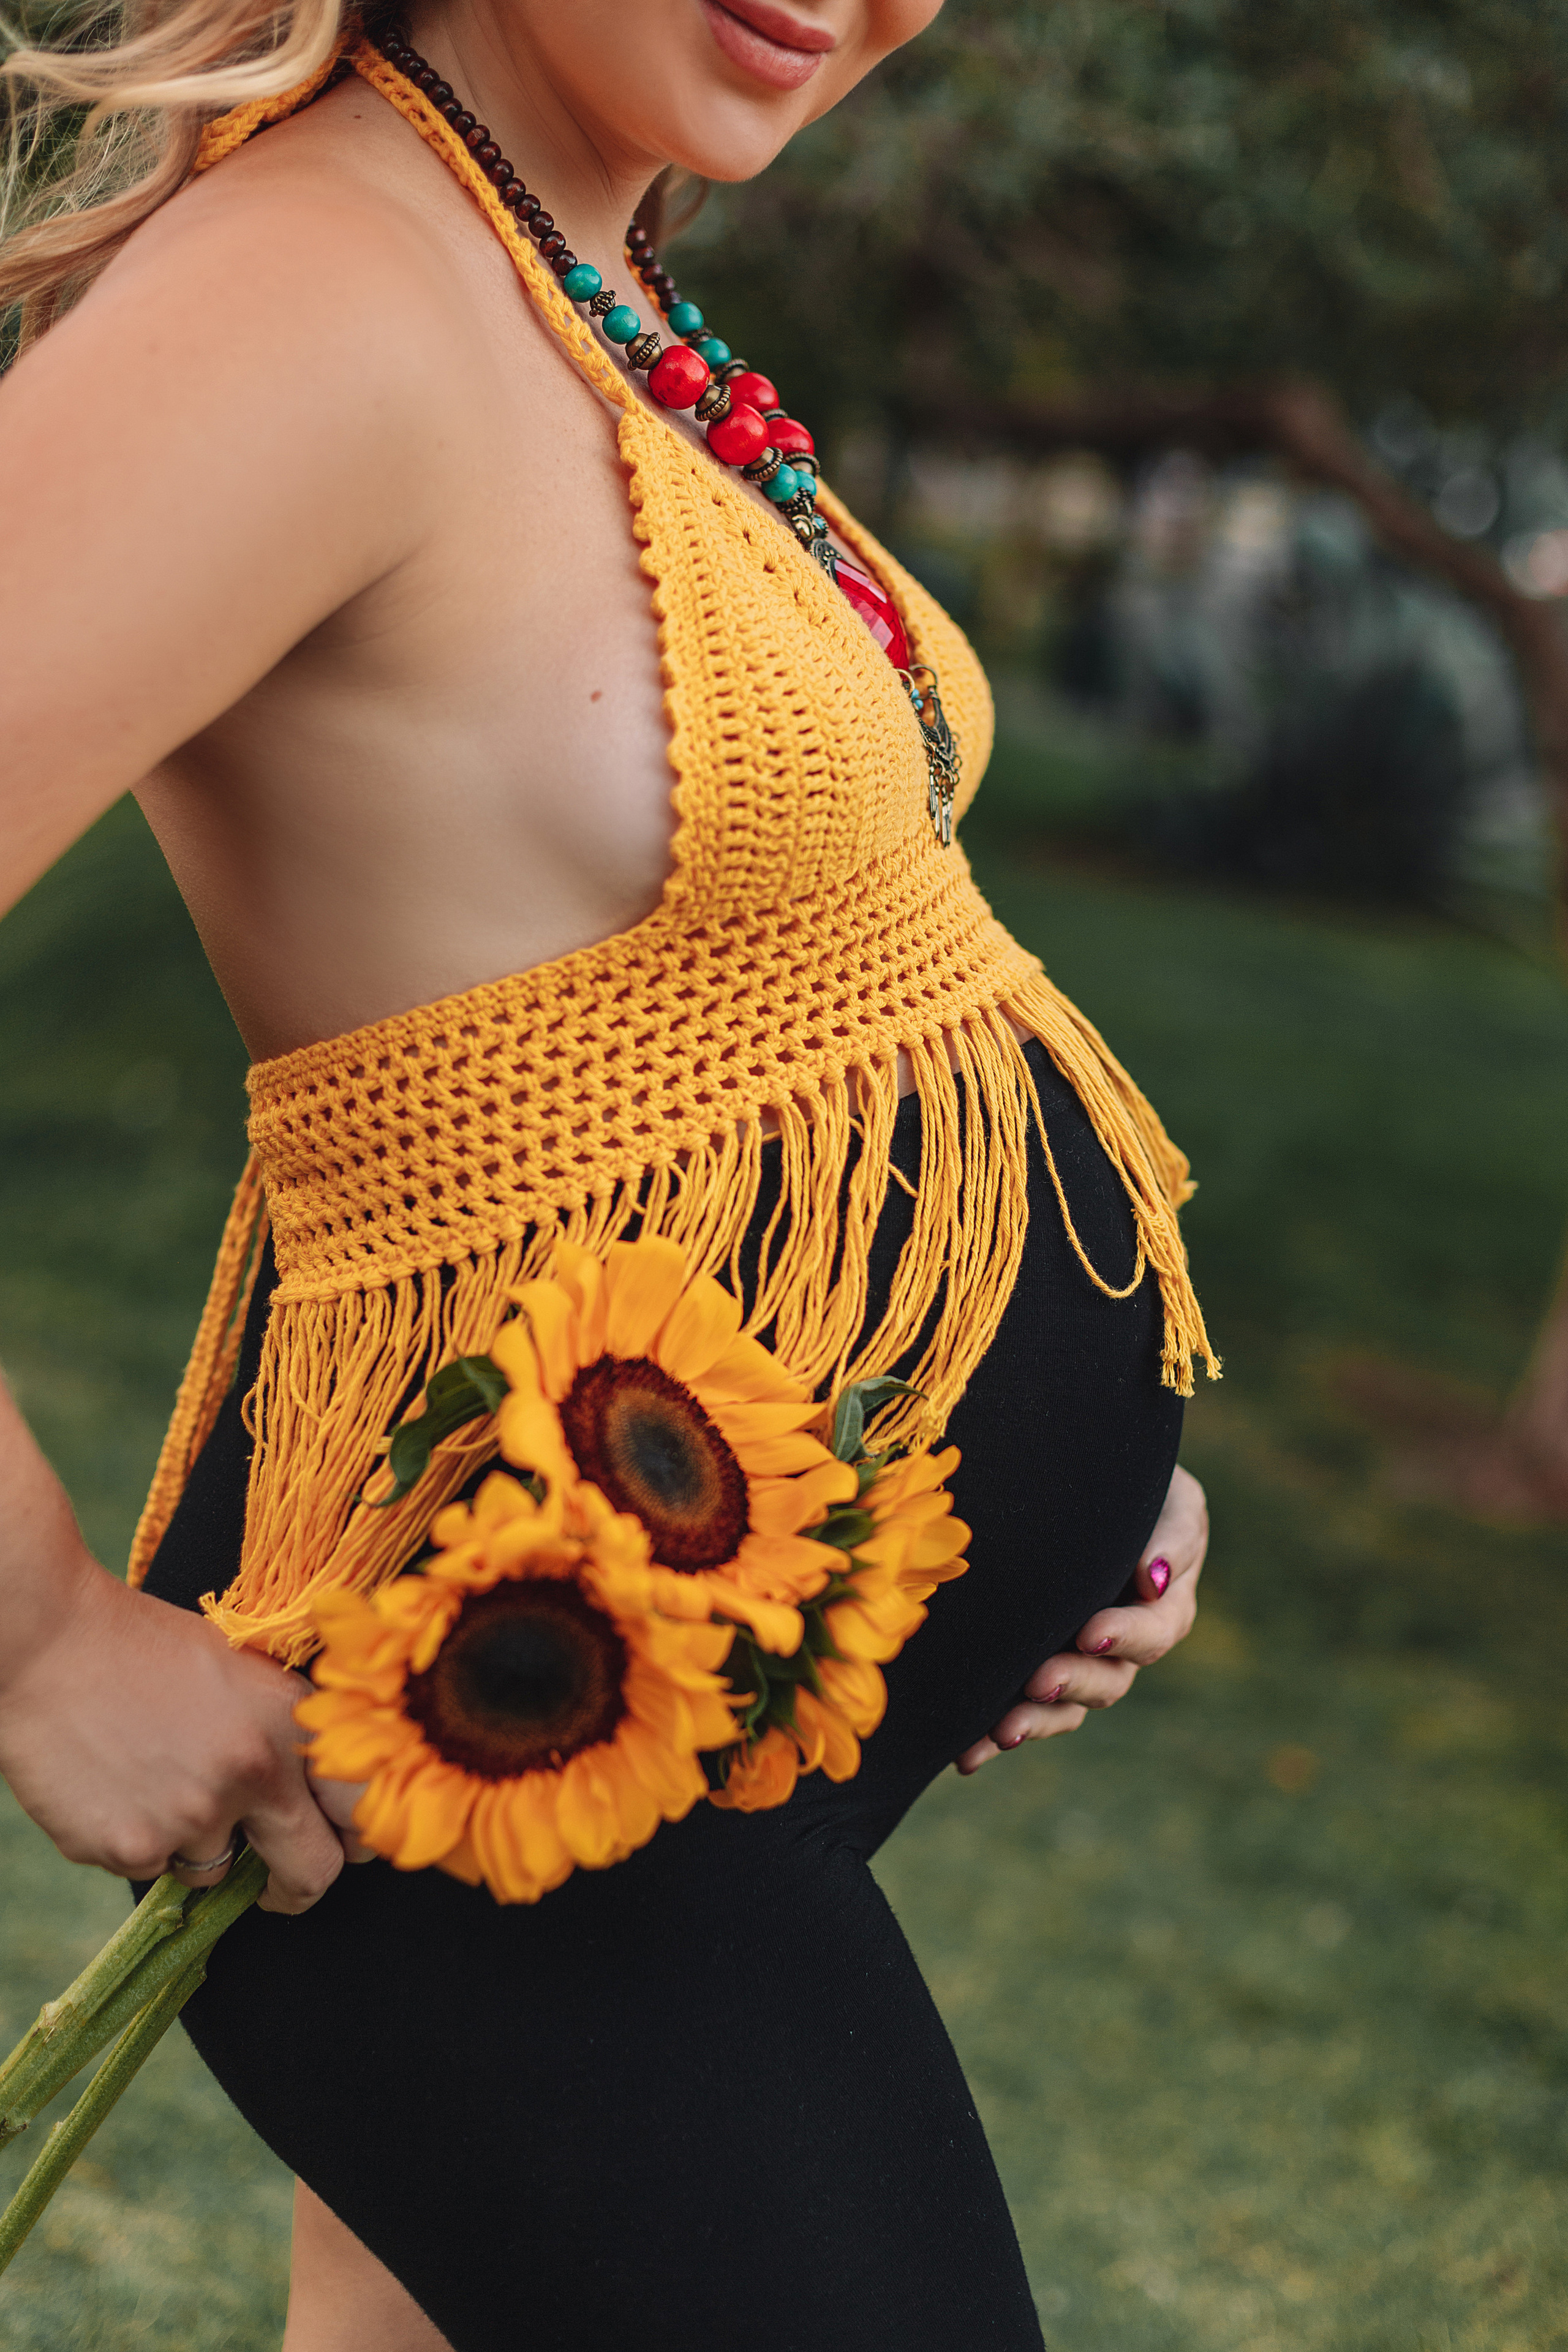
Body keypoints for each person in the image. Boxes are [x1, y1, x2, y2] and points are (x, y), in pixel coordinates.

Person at [0, 2, 1216, 2345]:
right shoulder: (323, 293)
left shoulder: (581, 281)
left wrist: (1033, 1466)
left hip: (679, 1745)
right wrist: (40, 1638)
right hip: (513, 1799)